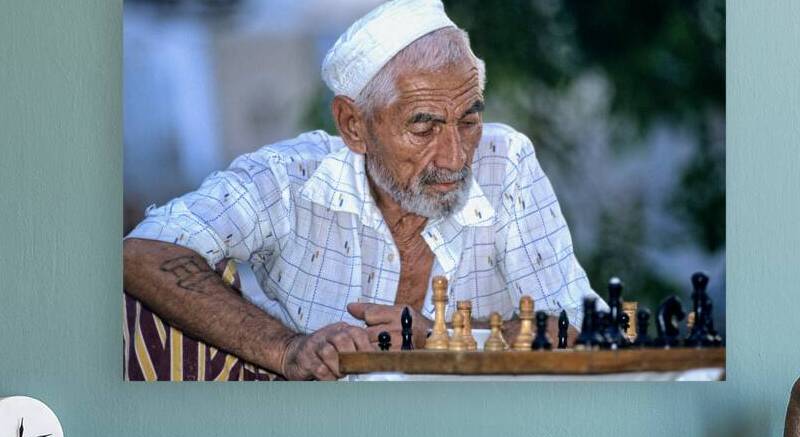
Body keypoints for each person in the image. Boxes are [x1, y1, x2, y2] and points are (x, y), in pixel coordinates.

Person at [123, 0, 602, 381]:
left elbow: (579, 323)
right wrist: (288, 349)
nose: (456, 157)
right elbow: (142, 253)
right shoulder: (291, 179)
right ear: (354, 125)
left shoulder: (505, 162)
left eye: (469, 119)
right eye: (424, 126)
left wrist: (438, 337)